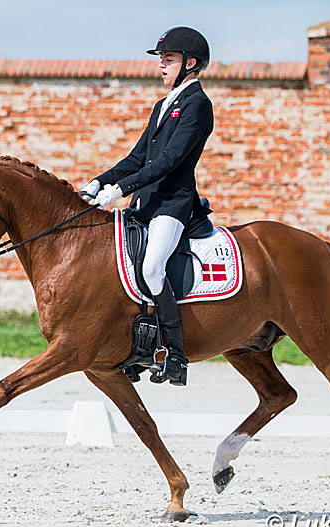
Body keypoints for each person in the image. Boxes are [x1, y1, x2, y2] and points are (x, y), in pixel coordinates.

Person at [80, 27, 214, 386]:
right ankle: (136, 349)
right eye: (162, 60)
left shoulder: (197, 105)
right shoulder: (163, 106)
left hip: (172, 204)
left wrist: (121, 190)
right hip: (145, 204)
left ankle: (176, 355)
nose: (162, 67)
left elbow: (170, 160)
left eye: (168, 60)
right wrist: (100, 180)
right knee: (119, 268)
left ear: (191, 63)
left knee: (153, 268)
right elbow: (138, 157)